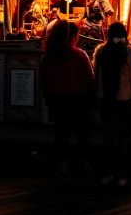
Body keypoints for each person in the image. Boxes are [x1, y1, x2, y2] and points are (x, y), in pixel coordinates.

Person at [93, 21, 131, 187]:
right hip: (124, 102)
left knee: (107, 138)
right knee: (123, 139)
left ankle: (105, 174)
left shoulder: (100, 52)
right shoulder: (129, 52)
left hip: (106, 101)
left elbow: (96, 76)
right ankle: (122, 175)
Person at [41, 20, 95, 177]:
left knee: (61, 135)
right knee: (83, 136)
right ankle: (85, 167)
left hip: (57, 101)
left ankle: (62, 167)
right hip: (79, 101)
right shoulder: (79, 55)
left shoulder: (49, 57)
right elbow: (89, 79)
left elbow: (44, 81)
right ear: (72, 37)